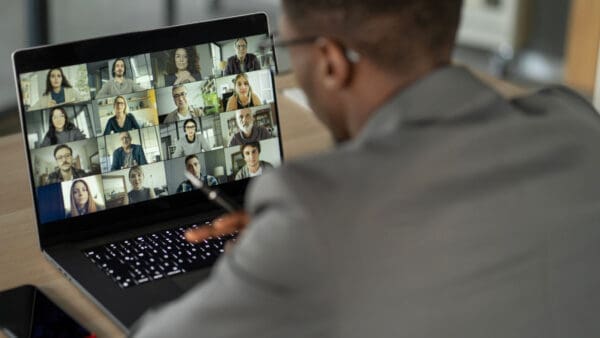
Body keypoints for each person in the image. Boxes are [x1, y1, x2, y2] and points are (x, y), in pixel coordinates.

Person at [133, 1, 600, 337]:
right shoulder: (577, 123)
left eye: (290, 46)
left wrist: (267, 258)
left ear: (332, 62)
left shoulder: (314, 210)